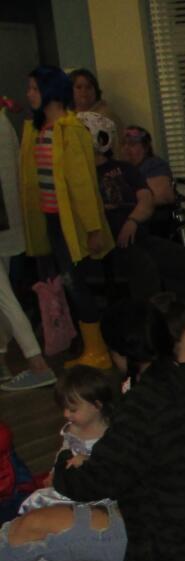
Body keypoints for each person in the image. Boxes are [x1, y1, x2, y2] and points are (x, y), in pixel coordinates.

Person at [0, 294, 185, 561]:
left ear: (120, 353)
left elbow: (93, 483)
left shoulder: (145, 402)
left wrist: (64, 463)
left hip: (161, 543)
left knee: (31, 526)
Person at [19, 65, 114, 369]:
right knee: (59, 284)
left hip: (70, 223)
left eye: (35, 88)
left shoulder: (70, 129)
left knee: (75, 283)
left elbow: (83, 185)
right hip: (49, 221)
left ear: (50, 91)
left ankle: (98, 350)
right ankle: (78, 343)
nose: (29, 94)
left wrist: (93, 228)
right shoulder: (37, 129)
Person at [79, 111, 185, 311]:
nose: (127, 148)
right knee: (145, 269)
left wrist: (133, 221)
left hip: (139, 236)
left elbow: (146, 199)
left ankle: (183, 319)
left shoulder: (125, 169)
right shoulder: (81, 176)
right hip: (109, 244)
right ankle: (149, 324)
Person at [0, 98, 56, 391]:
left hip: (6, 221)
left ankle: (37, 364)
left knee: (4, 297)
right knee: (3, 296)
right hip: (8, 222)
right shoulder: (3, 120)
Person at [18, 366, 114, 513]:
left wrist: (89, 461)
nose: (66, 414)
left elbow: (115, 465)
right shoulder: (72, 429)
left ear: (97, 405)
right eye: (64, 408)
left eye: (72, 410)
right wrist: (54, 472)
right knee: (36, 500)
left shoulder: (111, 432)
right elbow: (63, 451)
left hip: (99, 489)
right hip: (71, 483)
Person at [121, 125, 175, 209]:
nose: (126, 148)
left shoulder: (155, 165)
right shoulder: (120, 168)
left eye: (132, 144)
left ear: (145, 147)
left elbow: (163, 196)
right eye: (123, 144)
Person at [69, 68, 123, 145]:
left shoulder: (106, 117)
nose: (84, 91)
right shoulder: (65, 117)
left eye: (89, 87)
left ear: (95, 91)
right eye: (79, 87)